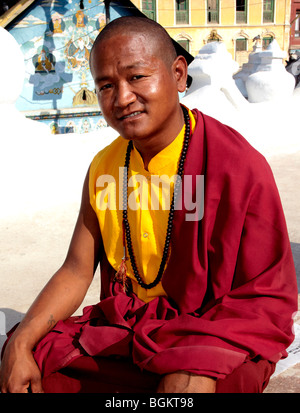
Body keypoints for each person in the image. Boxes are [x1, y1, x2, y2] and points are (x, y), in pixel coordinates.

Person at [0, 16, 298, 393]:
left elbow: (265, 295)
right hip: (133, 327)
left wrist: (195, 359)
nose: (122, 98)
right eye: (106, 85)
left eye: (137, 77)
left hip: (213, 328)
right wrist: (22, 342)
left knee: (185, 384)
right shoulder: (106, 167)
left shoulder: (236, 165)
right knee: (34, 361)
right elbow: (76, 270)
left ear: (178, 74)